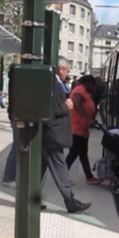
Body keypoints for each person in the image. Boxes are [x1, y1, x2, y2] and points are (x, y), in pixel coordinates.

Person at [41, 57, 91, 213]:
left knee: (40, 168)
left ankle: (31, 198)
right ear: (61, 69)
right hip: (52, 134)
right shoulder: (52, 83)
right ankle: (70, 200)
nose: (68, 73)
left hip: (51, 133)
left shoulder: (54, 82)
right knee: (60, 168)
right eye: (68, 70)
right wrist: (66, 106)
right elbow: (49, 109)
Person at [66, 74, 103, 185]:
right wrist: (88, 117)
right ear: (88, 83)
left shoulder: (84, 91)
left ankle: (89, 176)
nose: (94, 88)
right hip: (77, 127)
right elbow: (76, 103)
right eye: (93, 85)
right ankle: (62, 177)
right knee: (74, 153)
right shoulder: (80, 90)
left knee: (83, 153)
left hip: (83, 127)